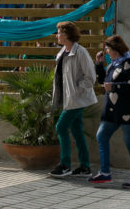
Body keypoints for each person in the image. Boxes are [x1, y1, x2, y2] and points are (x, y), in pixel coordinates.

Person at [89, 35, 130, 189]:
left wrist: (114, 87)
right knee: (101, 135)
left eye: (108, 49)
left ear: (115, 49)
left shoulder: (129, 62)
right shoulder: (114, 64)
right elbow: (103, 81)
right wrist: (99, 65)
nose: (106, 52)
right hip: (113, 109)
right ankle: (105, 173)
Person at [49, 21, 98, 178]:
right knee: (77, 131)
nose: (56, 35)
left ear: (67, 35)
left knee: (61, 127)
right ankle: (85, 167)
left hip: (77, 99)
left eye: (59, 32)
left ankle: (65, 165)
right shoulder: (62, 52)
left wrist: (77, 90)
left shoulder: (80, 52)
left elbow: (90, 76)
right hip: (68, 98)